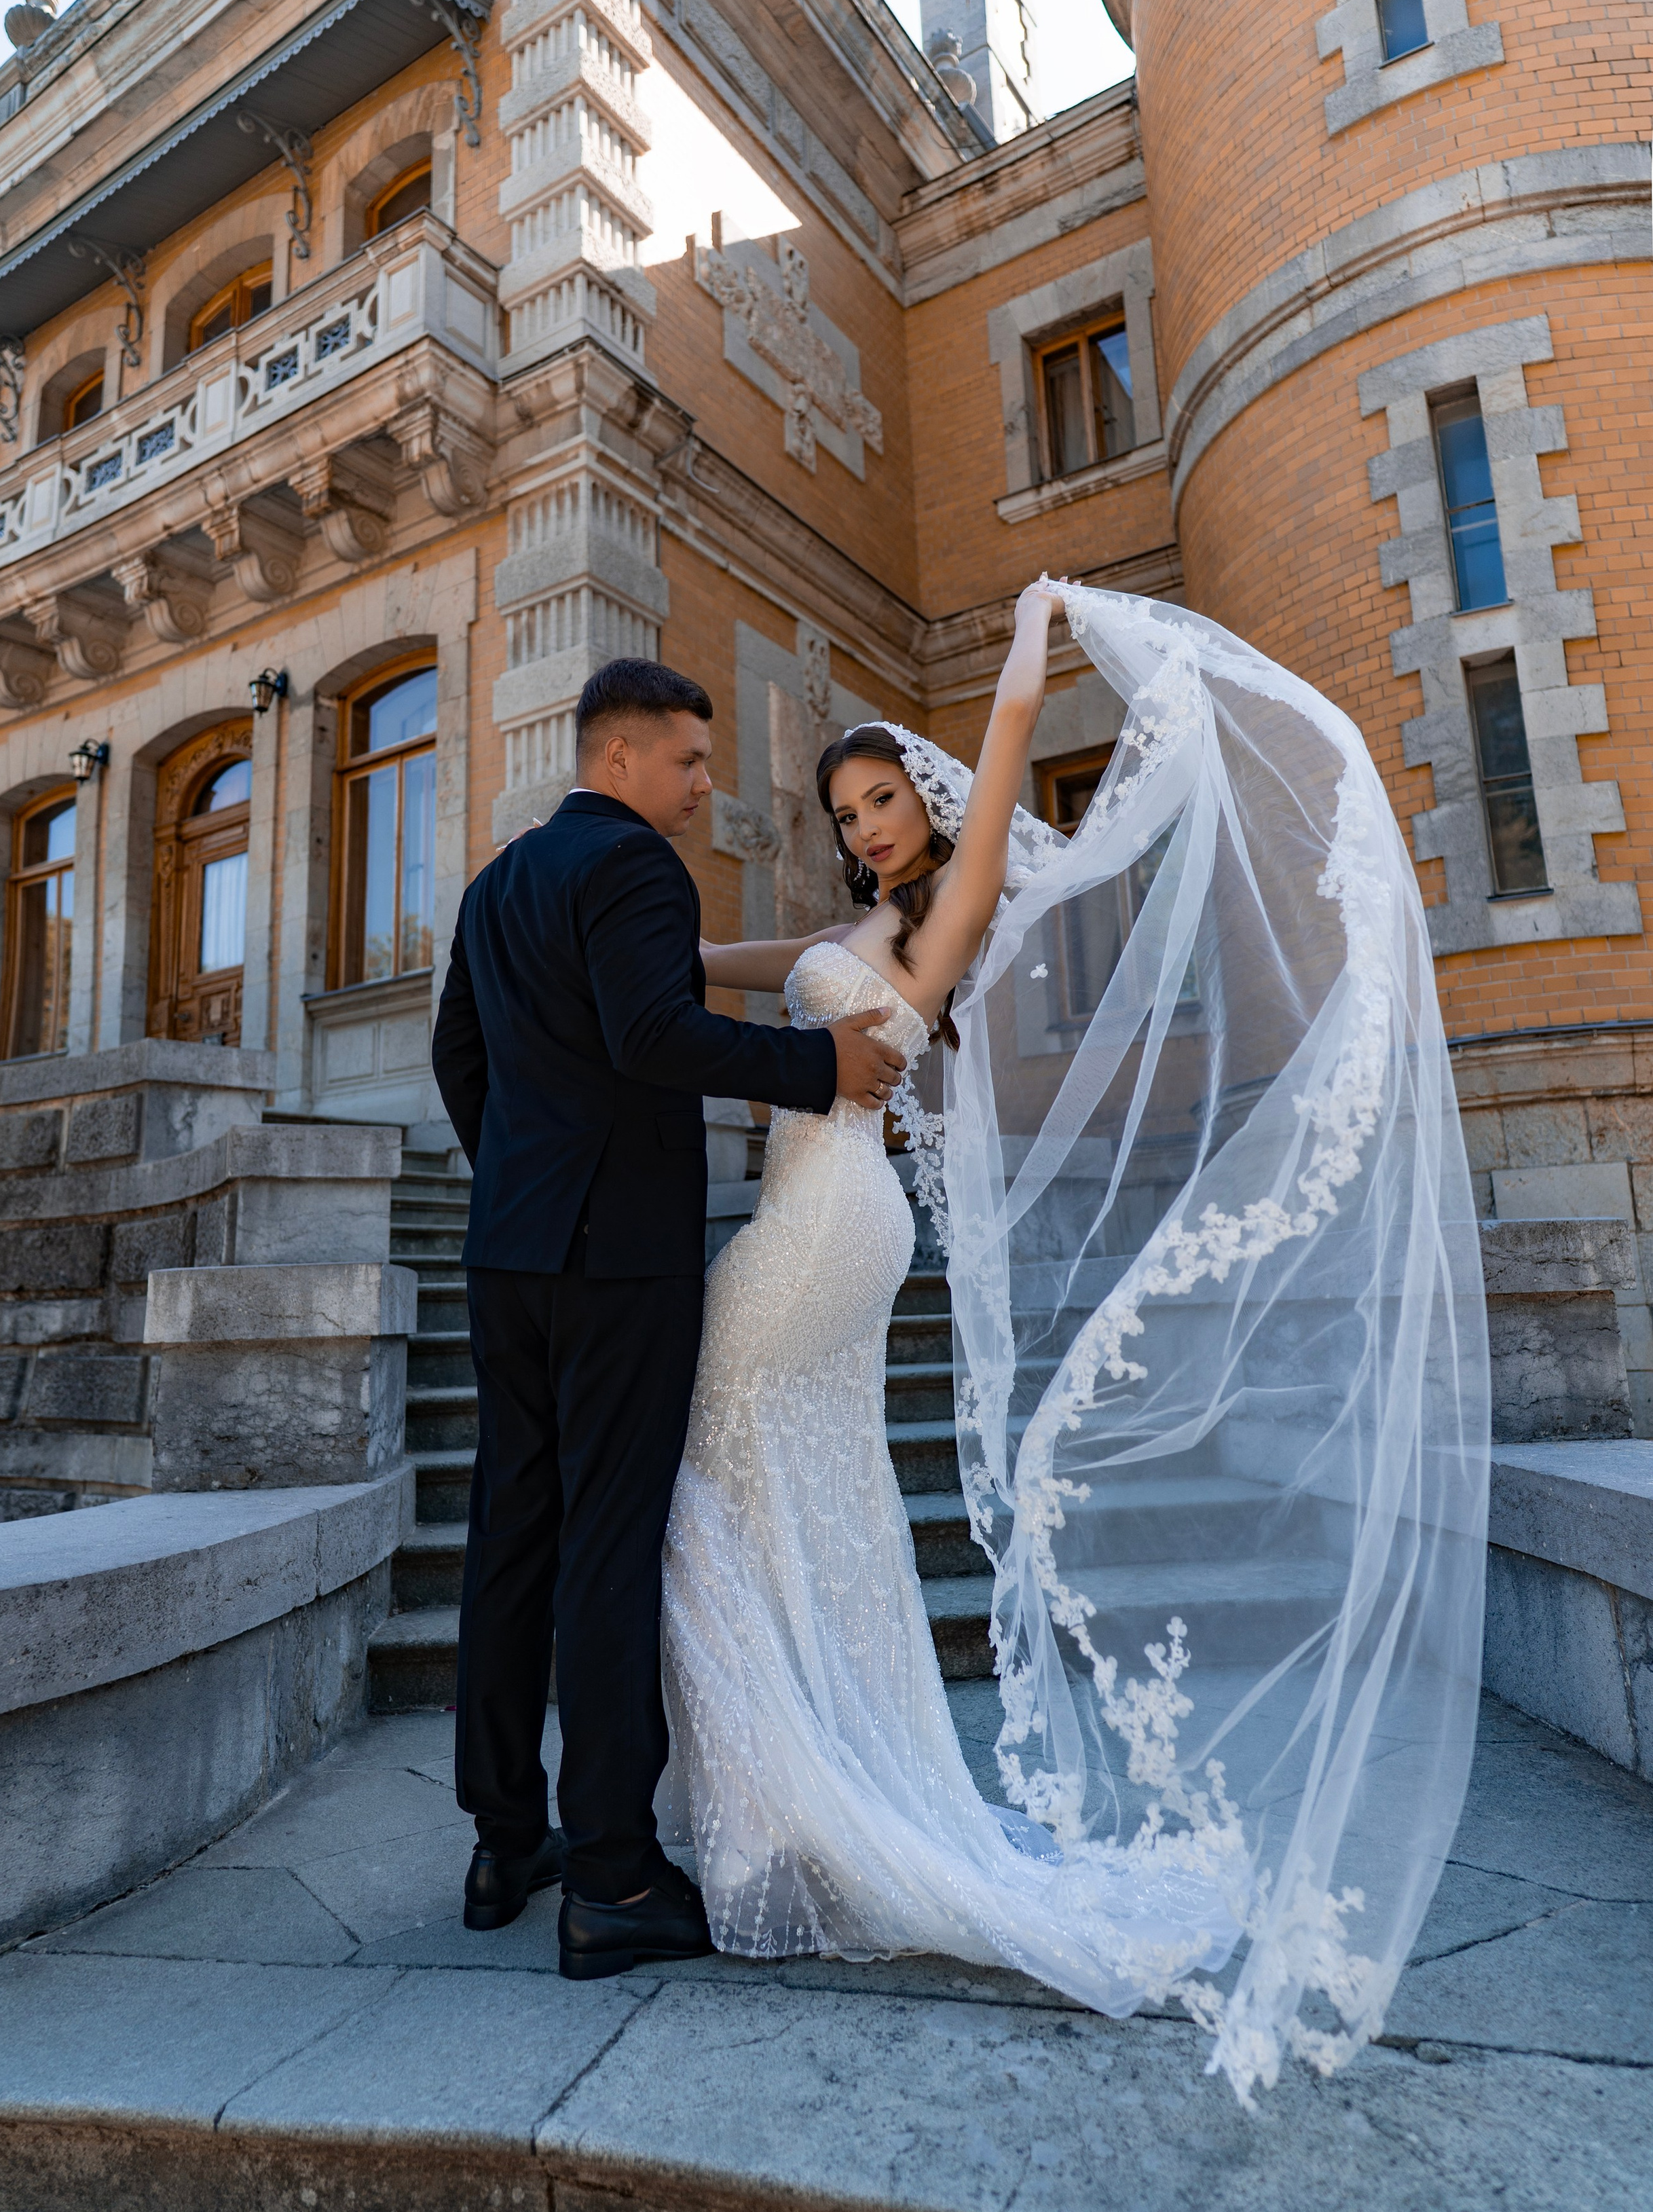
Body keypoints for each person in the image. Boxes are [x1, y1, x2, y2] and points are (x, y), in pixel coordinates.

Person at [660, 575, 1488, 2103]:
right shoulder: (859, 927)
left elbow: (994, 774)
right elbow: (778, 958)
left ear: (925, 792)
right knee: (792, 1491)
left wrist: (1030, 639)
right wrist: (653, 950)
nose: (865, 828)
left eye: (881, 800)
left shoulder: (951, 907)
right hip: (843, 1221)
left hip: (824, 1223)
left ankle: (788, 1806)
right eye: (844, 812)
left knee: (703, 1478)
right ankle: (800, 1796)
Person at [430, 656, 907, 1981]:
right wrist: (816, 1062)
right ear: (617, 759)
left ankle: (499, 1837)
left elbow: (458, 1057)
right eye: (688, 761)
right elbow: (653, 1033)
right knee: (607, 1546)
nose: (704, 785)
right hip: (616, 1262)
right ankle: (611, 1873)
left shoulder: (496, 882)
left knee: (510, 1532)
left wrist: (523, 1181)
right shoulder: (634, 867)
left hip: (510, 1255)